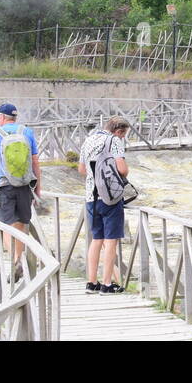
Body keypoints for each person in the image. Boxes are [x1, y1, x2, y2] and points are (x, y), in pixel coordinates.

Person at [0, 103, 40, 274]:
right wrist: (37, 188)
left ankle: (16, 261)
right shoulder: (26, 132)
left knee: (6, 224)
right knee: (21, 223)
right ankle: (20, 259)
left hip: (4, 184)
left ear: (1, 117)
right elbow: (36, 161)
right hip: (25, 183)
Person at [78, 116, 131, 294]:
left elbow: (81, 169)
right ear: (118, 131)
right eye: (124, 135)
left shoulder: (89, 140)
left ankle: (92, 282)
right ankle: (107, 284)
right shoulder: (114, 141)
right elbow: (122, 169)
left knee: (96, 240)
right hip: (110, 197)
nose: (123, 138)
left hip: (90, 197)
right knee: (111, 241)